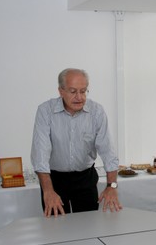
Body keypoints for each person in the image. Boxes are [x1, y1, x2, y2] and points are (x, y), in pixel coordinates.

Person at [31, 68, 122, 218]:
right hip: (55, 180)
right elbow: (40, 153)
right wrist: (48, 190)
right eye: (73, 91)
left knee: (88, 228)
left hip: (85, 180)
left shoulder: (97, 111)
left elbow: (108, 152)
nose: (79, 97)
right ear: (61, 91)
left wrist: (112, 186)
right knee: (57, 229)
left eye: (83, 91)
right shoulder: (45, 111)